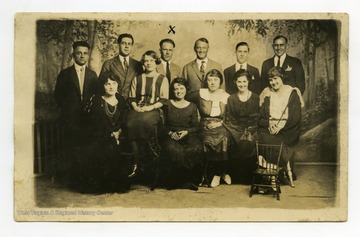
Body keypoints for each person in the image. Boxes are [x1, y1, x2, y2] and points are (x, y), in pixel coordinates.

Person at [72, 71, 130, 194]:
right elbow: (95, 124)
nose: (111, 86)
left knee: (116, 146)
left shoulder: (122, 100)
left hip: (119, 135)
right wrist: (110, 134)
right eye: (107, 84)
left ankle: (116, 182)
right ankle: (105, 185)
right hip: (98, 137)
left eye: (114, 83)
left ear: (118, 85)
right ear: (102, 86)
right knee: (107, 147)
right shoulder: (97, 101)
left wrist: (118, 132)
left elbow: (125, 120)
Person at [54, 41, 98, 182]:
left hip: (87, 119)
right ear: (73, 54)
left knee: (85, 148)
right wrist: (69, 110)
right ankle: (69, 178)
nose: (82, 56)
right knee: (70, 147)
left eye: (85, 53)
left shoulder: (92, 74)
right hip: (70, 118)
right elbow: (58, 95)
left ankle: (82, 178)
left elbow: (95, 96)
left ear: (88, 55)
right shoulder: (65, 74)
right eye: (79, 53)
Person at [257, 67, 304, 184]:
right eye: (270, 80)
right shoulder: (267, 94)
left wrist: (280, 127)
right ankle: (271, 170)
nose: (273, 82)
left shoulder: (292, 93)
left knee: (270, 142)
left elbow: (295, 118)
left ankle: (270, 171)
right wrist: (269, 124)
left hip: (288, 129)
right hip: (270, 127)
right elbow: (260, 117)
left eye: (276, 78)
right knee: (257, 138)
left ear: (282, 77)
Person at [127, 50, 169, 178]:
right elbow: (132, 97)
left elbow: (163, 99)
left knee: (146, 121)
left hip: (155, 109)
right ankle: (136, 161)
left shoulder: (162, 79)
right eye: (146, 61)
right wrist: (135, 107)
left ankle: (150, 160)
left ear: (156, 62)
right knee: (129, 123)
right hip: (138, 109)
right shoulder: (138, 78)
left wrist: (150, 107)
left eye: (151, 60)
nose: (148, 63)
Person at [186, 69, 230, 188]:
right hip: (204, 123)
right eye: (210, 80)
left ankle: (219, 172)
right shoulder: (200, 93)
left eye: (215, 80)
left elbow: (230, 116)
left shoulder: (226, 96)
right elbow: (184, 98)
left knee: (224, 137)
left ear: (220, 81)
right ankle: (208, 174)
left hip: (221, 124)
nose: (212, 82)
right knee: (206, 139)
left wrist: (220, 123)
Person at [160, 78, 203, 191]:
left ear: (186, 90)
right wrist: (170, 133)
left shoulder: (192, 106)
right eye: (176, 89)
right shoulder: (167, 104)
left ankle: (190, 180)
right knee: (174, 150)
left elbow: (196, 126)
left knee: (195, 148)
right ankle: (176, 181)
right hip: (171, 135)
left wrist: (187, 132)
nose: (179, 91)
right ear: (173, 91)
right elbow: (161, 125)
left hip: (188, 135)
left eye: (181, 88)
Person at [223, 69, 260, 182]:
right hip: (235, 128)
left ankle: (250, 177)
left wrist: (249, 130)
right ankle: (235, 176)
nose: (242, 84)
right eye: (239, 82)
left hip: (252, 128)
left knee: (252, 141)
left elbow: (257, 117)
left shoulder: (255, 97)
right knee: (235, 140)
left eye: (244, 81)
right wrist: (238, 130)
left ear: (248, 81)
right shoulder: (231, 98)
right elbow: (229, 118)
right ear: (235, 82)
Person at [99, 33, 143, 98]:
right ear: (118, 45)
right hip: (114, 101)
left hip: (132, 103)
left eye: (129, 44)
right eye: (123, 43)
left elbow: (141, 85)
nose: (126, 46)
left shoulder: (138, 65)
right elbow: (101, 85)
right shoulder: (108, 63)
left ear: (132, 46)